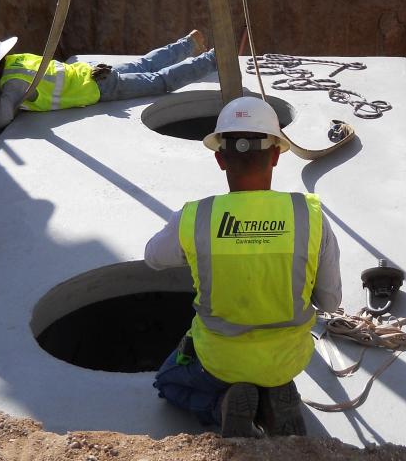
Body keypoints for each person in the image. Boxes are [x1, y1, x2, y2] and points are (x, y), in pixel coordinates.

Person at [145, 96, 342, 438]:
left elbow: (153, 257)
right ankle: (273, 397)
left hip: (221, 360)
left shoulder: (196, 217)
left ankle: (221, 407)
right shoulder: (309, 216)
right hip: (288, 359)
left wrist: (197, 243)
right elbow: (329, 303)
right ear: (276, 155)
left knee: (168, 383)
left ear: (221, 159)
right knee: (270, 370)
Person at [0, 30, 217, 128]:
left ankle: (213, 58)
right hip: (91, 70)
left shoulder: (12, 85)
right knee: (144, 63)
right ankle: (188, 43)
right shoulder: (20, 59)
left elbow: (3, 118)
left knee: (160, 81)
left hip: (99, 87)